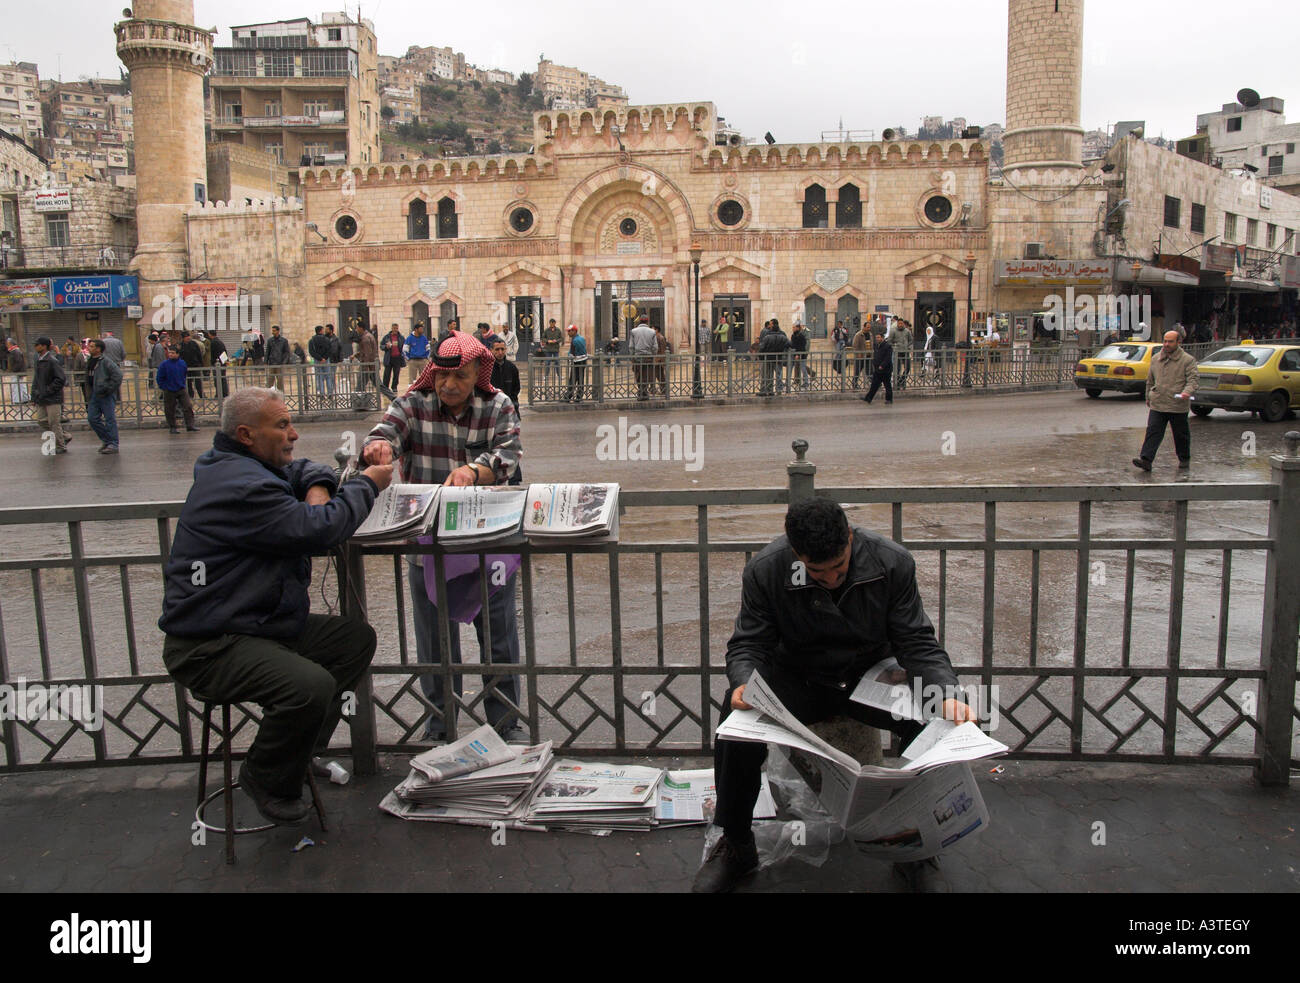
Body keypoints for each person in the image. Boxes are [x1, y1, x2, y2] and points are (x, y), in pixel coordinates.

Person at [693, 498, 976, 893]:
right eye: (817, 571)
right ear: (796, 554)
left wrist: (945, 692)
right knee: (735, 722)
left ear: (849, 537)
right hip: (800, 677)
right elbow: (748, 645)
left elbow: (916, 641)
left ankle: (916, 850)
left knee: (928, 715)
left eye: (839, 568)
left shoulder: (892, 563)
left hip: (868, 675)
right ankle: (737, 844)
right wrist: (743, 682)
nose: (830, 579)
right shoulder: (766, 569)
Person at [160, 388, 391, 824]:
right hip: (211, 644)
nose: (294, 434)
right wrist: (366, 484)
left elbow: (302, 468)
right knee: (310, 686)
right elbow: (320, 530)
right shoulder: (241, 484)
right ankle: (266, 775)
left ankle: (298, 752)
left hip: (257, 622)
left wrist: (320, 485)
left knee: (352, 640)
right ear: (247, 434)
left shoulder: (244, 463)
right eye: (282, 425)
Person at [362, 332, 525, 743]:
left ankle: (506, 725)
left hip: (486, 543)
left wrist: (475, 469)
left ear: (477, 375)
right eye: (441, 377)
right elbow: (383, 433)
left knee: (499, 638)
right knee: (434, 643)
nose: (449, 385)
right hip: (428, 546)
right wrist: (378, 448)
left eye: (460, 377)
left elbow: (507, 455)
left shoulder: (497, 406)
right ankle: (440, 726)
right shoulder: (412, 405)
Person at [1133, 330, 1198, 472]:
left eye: (1170, 341)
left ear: (1178, 342)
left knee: (1181, 435)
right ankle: (1146, 460)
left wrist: (1186, 392)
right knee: (1153, 432)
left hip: (1177, 405)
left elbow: (1192, 381)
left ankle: (1184, 459)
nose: (1167, 344)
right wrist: (1148, 396)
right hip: (1158, 403)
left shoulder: (1187, 360)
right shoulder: (1156, 358)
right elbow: (1150, 380)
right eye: (1165, 341)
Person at [29, 336, 68, 454]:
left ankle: (61, 446)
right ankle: (64, 436)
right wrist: (34, 395)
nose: (35, 347)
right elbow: (36, 379)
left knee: (53, 422)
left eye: (37, 345)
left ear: (44, 346)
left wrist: (48, 390)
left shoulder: (52, 361)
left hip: (53, 398)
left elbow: (60, 379)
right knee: (41, 420)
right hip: (41, 397)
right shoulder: (38, 360)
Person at [86, 338, 123, 454]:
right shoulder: (90, 360)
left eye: (92, 346)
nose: (89, 348)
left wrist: (108, 388)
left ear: (98, 349)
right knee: (92, 418)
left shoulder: (106, 361)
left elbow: (118, 375)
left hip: (106, 395)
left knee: (109, 419)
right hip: (94, 395)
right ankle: (107, 440)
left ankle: (113, 443)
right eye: (89, 346)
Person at [156, 345, 200, 434]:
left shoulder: (182, 363)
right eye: (169, 353)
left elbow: (184, 374)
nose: (170, 355)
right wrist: (164, 386)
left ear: (177, 354)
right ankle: (172, 427)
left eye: (173, 353)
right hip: (169, 390)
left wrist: (182, 384)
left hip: (181, 388)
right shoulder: (164, 364)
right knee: (170, 409)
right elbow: (159, 378)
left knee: (187, 406)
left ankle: (190, 425)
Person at [629, 316, 658, 401]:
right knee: (647, 374)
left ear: (639, 321)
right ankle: (644, 392)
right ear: (647, 322)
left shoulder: (633, 331)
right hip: (648, 357)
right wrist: (653, 355)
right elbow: (655, 347)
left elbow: (631, 346)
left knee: (638, 374)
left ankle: (641, 391)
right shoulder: (652, 332)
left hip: (637, 357)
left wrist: (632, 357)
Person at [864, 331, 893, 405]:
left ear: (882, 338)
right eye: (876, 337)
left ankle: (889, 399)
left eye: (879, 337)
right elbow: (876, 356)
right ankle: (868, 398)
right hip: (878, 369)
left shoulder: (887, 346)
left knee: (887, 384)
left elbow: (888, 358)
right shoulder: (876, 345)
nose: (877, 339)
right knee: (874, 384)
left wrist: (882, 365)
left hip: (886, 369)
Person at [563, 324, 588, 403]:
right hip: (583, 360)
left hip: (577, 361)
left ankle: (568, 396)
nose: (568, 333)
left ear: (574, 331)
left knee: (573, 380)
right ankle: (579, 397)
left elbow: (572, 354)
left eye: (569, 331)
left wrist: (569, 355)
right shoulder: (582, 338)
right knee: (581, 379)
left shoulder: (574, 341)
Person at [540, 318, 564, 393]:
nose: (552, 324)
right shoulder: (546, 330)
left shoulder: (558, 330)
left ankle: (559, 375)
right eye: (551, 323)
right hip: (548, 349)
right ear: (549, 323)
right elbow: (543, 338)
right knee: (547, 362)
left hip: (555, 349)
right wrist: (548, 341)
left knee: (557, 362)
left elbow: (561, 338)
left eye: (553, 323)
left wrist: (556, 341)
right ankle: (546, 375)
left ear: (555, 323)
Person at [179, 330, 206, 399]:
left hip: (195, 365)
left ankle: (202, 395)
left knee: (198, 382)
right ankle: (190, 395)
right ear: (183, 338)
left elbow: (199, 354)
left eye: (188, 336)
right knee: (188, 382)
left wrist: (201, 364)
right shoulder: (180, 345)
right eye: (186, 336)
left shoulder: (194, 344)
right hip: (185, 367)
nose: (188, 338)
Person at [381, 324, 406, 391]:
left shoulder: (401, 337)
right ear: (391, 328)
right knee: (387, 374)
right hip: (389, 358)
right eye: (394, 328)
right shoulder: (386, 337)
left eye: (396, 328)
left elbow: (405, 346)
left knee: (396, 374)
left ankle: (394, 387)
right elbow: (381, 346)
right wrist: (386, 346)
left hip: (397, 358)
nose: (395, 330)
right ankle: (385, 387)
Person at [265, 324, 291, 390]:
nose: (272, 332)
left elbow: (287, 352)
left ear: (278, 331)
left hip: (280, 363)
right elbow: (267, 351)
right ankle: (267, 393)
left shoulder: (284, 341)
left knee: (280, 381)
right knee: (270, 380)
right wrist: (266, 361)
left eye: (274, 331)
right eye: (272, 330)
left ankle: (280, 394)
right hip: (272, 363)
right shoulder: (270, 341)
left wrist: (284, 362)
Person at [308, 325, 331, 394]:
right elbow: (329, 349)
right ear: (321, 331)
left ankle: (322, 393)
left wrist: (319, 358)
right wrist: (325, 358)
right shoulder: (326, 339)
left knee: (319, 377)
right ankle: (330, 392)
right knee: (328, 377)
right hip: (326, 360)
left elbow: (311, 352)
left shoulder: (311, 341)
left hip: (317, 360)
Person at [208, 330, 230, 397]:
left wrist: (213, 362)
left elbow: (213, 354)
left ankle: (220, 394)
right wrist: (225, 361)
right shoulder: (220, 341)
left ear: (210, 334)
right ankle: (224, 393)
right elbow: (224, 352)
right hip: (222, 362)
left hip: (217, 363)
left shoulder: (213, 342)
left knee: (218, 379)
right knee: (222, 378)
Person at [356, 323, 378, 391]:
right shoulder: (368, 336)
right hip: (371, 364)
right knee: (377, 383)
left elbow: (367, 353)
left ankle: (358, 397)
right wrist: (356, 354)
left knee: (361, 383)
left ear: (361, 328)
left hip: (368, 365)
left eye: (357, 328)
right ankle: (391, 396)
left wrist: (365, 365)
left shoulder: (365, 338)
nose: (356, 329)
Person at [893, 319, 913, 391]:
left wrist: (907, 345)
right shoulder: (894, 331)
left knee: (907, 367)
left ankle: (902, 380)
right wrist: (894, 346)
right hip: (897, 352)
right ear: (897, 324)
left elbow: (911, 340)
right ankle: (898, 383)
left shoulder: (907, 331)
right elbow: (889, 340)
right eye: (899, 323)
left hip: (905, 351)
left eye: (902, 323)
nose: (900, 325)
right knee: (897, 369)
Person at [790, 321, 810, 389]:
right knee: (798, 368)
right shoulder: (794, 335)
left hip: (801, 354)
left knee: (803, 368)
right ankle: (797, 380)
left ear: (798, 328)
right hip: (796, 354)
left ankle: (806, 382)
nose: (793, 328)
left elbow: (801, 346)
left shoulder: (801, 335)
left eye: (794, 327)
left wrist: (798, 354)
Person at [851, 322, 871, 389]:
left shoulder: (870, 334)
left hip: (868, 356)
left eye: (869, 327)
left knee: (869, 371)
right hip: (860, 356)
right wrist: (858, 353)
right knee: (857, 371)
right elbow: (855, 345)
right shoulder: (858, 335)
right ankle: (854, 384)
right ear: (864, 327)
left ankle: (874, 383)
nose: (869, 328)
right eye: (867, 327)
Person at [653, 324, 671, 397]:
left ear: (656, 330)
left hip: (658, 360)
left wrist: (663, 360)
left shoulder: (660, 337)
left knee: (660, 376)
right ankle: (656, 389)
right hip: (657, 359)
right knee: (657, 375)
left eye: (653, 329)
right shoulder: (657, 337)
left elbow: (663, 349)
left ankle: (664, 390)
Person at [324, 324, 342, 393]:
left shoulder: (336, 339)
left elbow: (340, 349)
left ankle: (332, 390)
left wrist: (340, 359)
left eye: (327, 329)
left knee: (332, 375)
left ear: (331, 330)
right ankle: (329, 390)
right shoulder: (324, 338)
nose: (325, 331)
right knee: (327, 376)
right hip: (326, 360)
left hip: (333, 360)